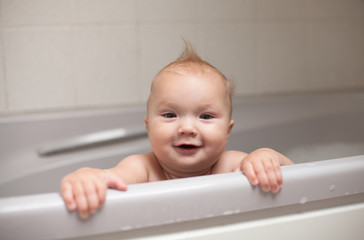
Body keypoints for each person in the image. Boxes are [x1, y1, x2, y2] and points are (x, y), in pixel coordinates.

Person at [61, 43, 294, 219]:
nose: (187, 128)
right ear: (148, 126)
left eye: (205, 116)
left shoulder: (231, 165)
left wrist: (266, 156)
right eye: (170, 115)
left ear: (227, 131)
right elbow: (111, 178)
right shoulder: (144, 168)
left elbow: (295, 174)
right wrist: (88, 177)